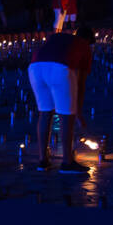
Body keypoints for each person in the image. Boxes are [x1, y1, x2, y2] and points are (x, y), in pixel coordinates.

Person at [27, 26, 96, 174]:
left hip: (34, 67)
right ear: (89, 41)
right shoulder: (85, 47)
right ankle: (67, 162)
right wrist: (78, 112)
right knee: (66, 116)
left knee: (45, 113)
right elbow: (80, 83)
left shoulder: (58, 36)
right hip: (59, 68)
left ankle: (42, 160)